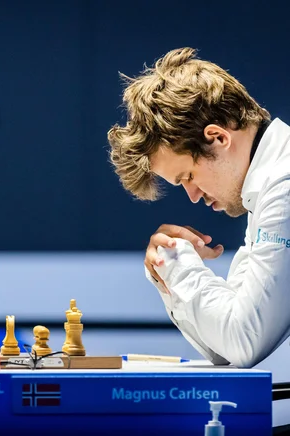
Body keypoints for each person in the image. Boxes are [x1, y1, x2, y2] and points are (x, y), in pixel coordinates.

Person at [107, 47, 290, 368]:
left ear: (218, 137)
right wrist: (169, 266)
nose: (193, 196)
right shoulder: (265, 186)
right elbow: (224, 349)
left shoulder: (284, 186)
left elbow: (243, 340)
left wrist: (178, 264)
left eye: (188, 176)